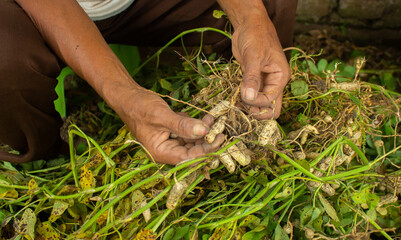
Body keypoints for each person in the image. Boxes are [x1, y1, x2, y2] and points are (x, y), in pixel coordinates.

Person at [0, 0, 297, 165]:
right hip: (36, 9)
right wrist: (124, 94)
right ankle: (49, 158)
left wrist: (251, 19)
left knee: (267, 6)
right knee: (6, 59)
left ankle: (252, 118)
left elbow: (253, 14)